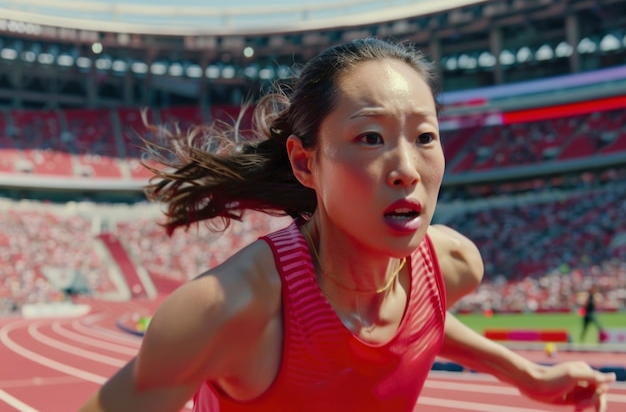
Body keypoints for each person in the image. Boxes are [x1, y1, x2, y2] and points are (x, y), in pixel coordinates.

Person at [79, 38, 616, 412]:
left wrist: (527, 375)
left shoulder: (452, 267)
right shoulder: (230, 310)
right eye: (371, 138)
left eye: (425, 137)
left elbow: (416, 324)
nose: (407, 168)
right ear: (305, 162)